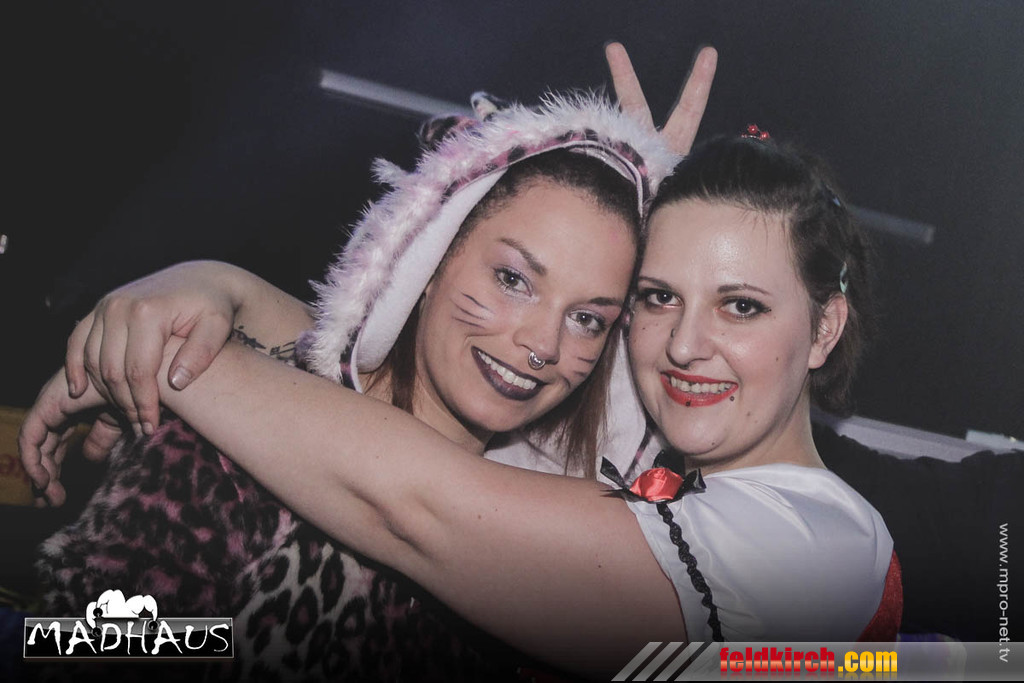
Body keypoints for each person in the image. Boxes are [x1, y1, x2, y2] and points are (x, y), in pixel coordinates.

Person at [22, 121, 901, 678]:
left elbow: (424, 506)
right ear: (427, 257)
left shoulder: (817, 542)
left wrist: (168, 349)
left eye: (741, 305)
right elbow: (75, 638)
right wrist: (216, 290)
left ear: (824, 329)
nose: (682, 344)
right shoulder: (565, 484)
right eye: (659, 297)